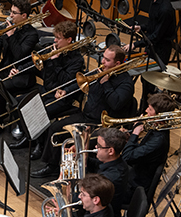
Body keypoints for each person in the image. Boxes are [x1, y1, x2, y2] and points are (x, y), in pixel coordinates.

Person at [31, 45, 135, 178]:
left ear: (118, 63)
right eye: (103, 57)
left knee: (77, 142)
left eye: (107, 60)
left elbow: (116, 104)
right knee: (55, 129)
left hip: (102, 125)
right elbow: (81, 83)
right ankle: (52, 166)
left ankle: (77, 174)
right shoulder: (100, 71)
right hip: (86, 116)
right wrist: (66, 91)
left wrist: (106, 84)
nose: (102, 61)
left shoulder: (125, 83)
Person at [9, 20, 86, 156]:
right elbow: (34, 63)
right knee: (19, 104)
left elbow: (65, 81)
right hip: (46, 90)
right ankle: (29, 137)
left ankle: (40, 144)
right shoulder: (53, 49)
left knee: (39, 112)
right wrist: (19, 70)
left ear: (69, 40)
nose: (55, 41)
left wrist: (55, 60)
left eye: (58, 38)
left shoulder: (77, 59)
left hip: (62, 97)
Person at [0, 0, 40, 137]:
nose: (10, 15)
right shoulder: (9, 28)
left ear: (24, 16)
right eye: (11, 12)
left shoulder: (31, 34)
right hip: (5, 68)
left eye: (14, 13)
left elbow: (20, 55)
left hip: (21, 74)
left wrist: (11, 36)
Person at [123, 0, 176, 112]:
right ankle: (142, 112)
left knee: (151, 84)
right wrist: (141, 27)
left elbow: (157, 35)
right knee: (145, 81)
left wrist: (135, 44)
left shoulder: (166, 9)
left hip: (160, 51)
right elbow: (153, 25)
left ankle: (148, 114)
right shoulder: (154, 2)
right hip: (152, 47)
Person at [122, 93, 176, 200]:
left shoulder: (158, 141)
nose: (146, 110)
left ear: (159, 115)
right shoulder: (158, 127)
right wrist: (130, 139)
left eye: (150, 109)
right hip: (136, 172)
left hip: (134, 187)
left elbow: (127, 157)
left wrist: (135, 133)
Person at [86, 128, 129, 217]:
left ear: (110, 151)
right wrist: (84, 157)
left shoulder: (111, 177)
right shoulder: (116, 162)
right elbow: (97, 164)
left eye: (99, 146)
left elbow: (85, 200)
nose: (96, 148)